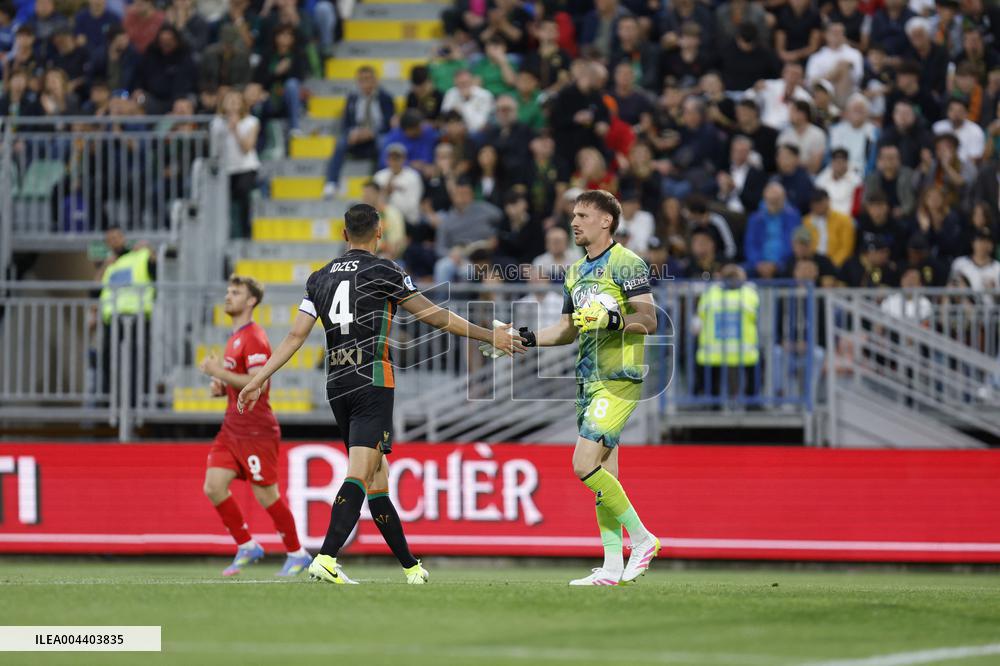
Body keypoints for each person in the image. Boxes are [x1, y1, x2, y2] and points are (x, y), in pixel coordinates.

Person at [237, 204, 525, 584]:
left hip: (337, 383)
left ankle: (411, 568)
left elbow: (295, 336)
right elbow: (434, 316)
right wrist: (491, 335)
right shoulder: (386, 271)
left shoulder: (318, 278)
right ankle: (326, 557)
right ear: (379, 233)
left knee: (376, 477)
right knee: (360, 471)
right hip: (371, 380)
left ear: (344, 234)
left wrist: (257, 379)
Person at [496, 189, 659, 586]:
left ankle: (643, 539)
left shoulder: (627, 262)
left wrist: (613, 319)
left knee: (583, 464)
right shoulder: (574, 272)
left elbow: (649, 319)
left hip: (619, 378)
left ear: (606, 221)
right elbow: (566, 330)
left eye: (583, 215)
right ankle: (612, 565)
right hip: (587, 379)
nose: (574, 222)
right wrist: (523, 337)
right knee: (605, 474)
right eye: (573, 215)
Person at [197, 275, 311, 577]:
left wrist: (218, 371)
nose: (228, 296)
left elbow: (258, 382)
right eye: (227, 291)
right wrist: (221, 387)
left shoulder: (254, 337)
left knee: (266, 495)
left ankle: (297, 553)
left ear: (251, 301)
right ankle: (246, 545)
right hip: (232, 427)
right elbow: (240, 383)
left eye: (235, 292)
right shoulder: (235, 337)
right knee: (213, 486)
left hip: (255, 429)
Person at [323, 66, 396, 198]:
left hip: (377, 135)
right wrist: (353, 132)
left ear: (375, 80)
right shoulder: (352, 98)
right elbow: (346, 123)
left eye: (368, 79)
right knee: (341, 142)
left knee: (383, 142)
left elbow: (389, 124)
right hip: (357, 136)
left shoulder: (386, 98)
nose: (365, 83)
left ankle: (378, 183)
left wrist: (372, 132)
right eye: (362, 80)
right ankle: (331, 183)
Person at [211, 89, 259, 238]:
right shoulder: (217, 123)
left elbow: (247, 148)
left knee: (243, 194)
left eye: (236, 100)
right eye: (229, 100)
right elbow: (215, 149)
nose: (232, 104)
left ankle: (245, 232)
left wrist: (235, 129)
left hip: (246, 167)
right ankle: (225, 234)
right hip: (226, 169)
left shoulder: (252, 122)